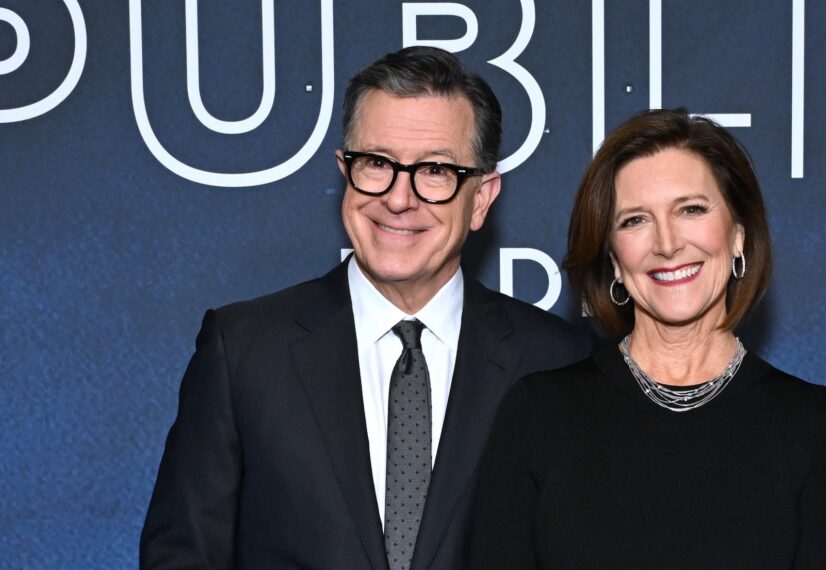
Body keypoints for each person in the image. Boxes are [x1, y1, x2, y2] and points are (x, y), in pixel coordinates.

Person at [140, 46, 592, 570]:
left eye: (436, 171)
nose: (399, 199)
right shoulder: (242, 351)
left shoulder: (555, 360)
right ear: (344, 170)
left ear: (482, 198)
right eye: (377, 163)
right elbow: (183, 557)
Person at [469, 109, 826, 569]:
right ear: (614, 258)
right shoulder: (538, 414)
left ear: (738, 234)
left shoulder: (813, 425)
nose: (668, 243)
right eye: (635, 220)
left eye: (691, 209)